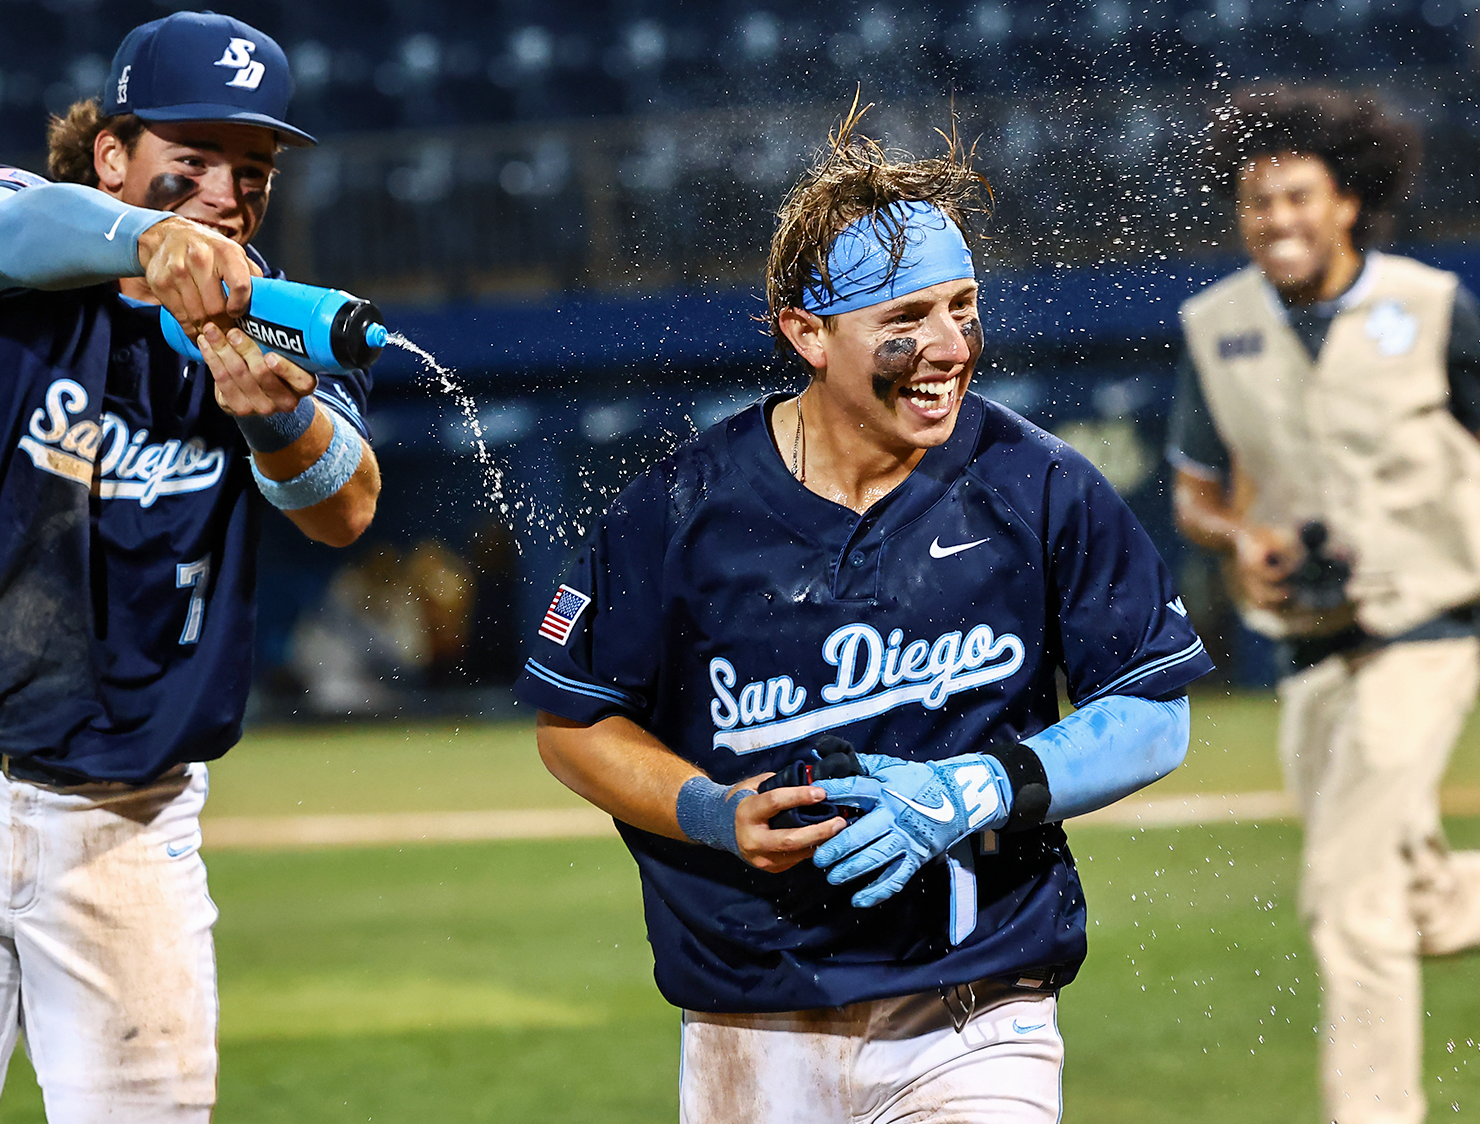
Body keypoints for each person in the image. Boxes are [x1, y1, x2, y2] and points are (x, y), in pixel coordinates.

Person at [515, 107, 1216, 1123]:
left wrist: (972, 786)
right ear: (805, 332)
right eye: (906, 318)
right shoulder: (677, 511)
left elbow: (1153, 710)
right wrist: (709, 810)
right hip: (750, 1015)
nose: (947, 346)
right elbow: (574, 725)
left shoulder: (1039, 483)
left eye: (962, 305)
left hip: (978, 1003)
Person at [0, 12, 380, 1122]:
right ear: (112, 153)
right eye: (193, 160)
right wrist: (142, 240)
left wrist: (278, 428)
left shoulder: (259, 320)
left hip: (132, 816)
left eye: (251, 170)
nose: (224, 191)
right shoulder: (12, 242)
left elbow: (347, 504)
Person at [1168, 85, 1480, 1124]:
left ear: (1345, 200)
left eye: (1296, 198)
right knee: (1410, 903)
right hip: (1309, 650)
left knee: (1349, 908)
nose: (1275, 221)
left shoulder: (1429, 304)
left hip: (1426, 631)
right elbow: (1192, 492)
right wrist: (1238, 538)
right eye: (1256, 203)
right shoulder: (1210, 325)